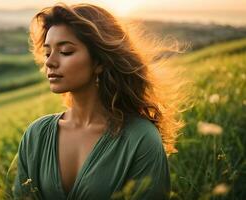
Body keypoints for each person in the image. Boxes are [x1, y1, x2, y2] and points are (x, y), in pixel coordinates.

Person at [10, 2, 187, 200]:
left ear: (100, 61)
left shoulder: (141, 139)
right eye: (47, 52)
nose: (50, 62)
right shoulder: (37, 134)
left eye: (66, 51)